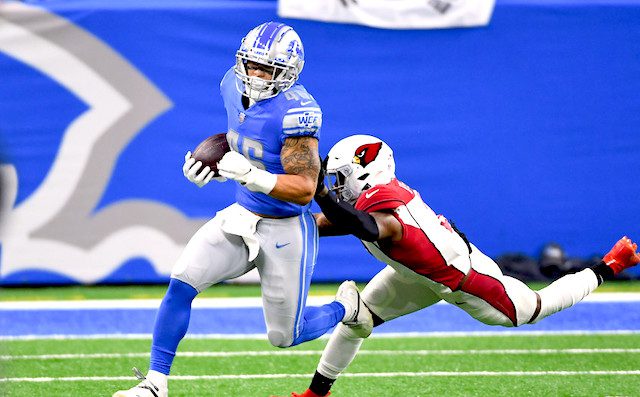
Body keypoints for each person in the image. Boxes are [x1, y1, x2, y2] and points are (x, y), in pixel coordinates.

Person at [113, 22, 372, 397]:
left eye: (265, 69)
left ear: (288, 72)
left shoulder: (297, 113)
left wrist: (252, 175)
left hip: (285, 228)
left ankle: (345, 308)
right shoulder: (230, 85)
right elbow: (242, 139)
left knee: (286, 336)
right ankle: (155, 383)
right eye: (250, 64)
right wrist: (215, 166)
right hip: (243, 214)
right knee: (182, 281)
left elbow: (302, 191)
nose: (254, 74)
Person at [283, 134, 640, 397]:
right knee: (359, 320)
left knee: (532, 309)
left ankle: (608, 265)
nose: (333, 186)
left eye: (338, 179)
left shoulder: (382, 208)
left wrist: (323, 198)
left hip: (464, 281)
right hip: (417, 273)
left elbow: (367, 226)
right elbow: (338, 222)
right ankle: (315, 394)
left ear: (364, 173)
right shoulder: (374, 197)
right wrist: (279, 220)